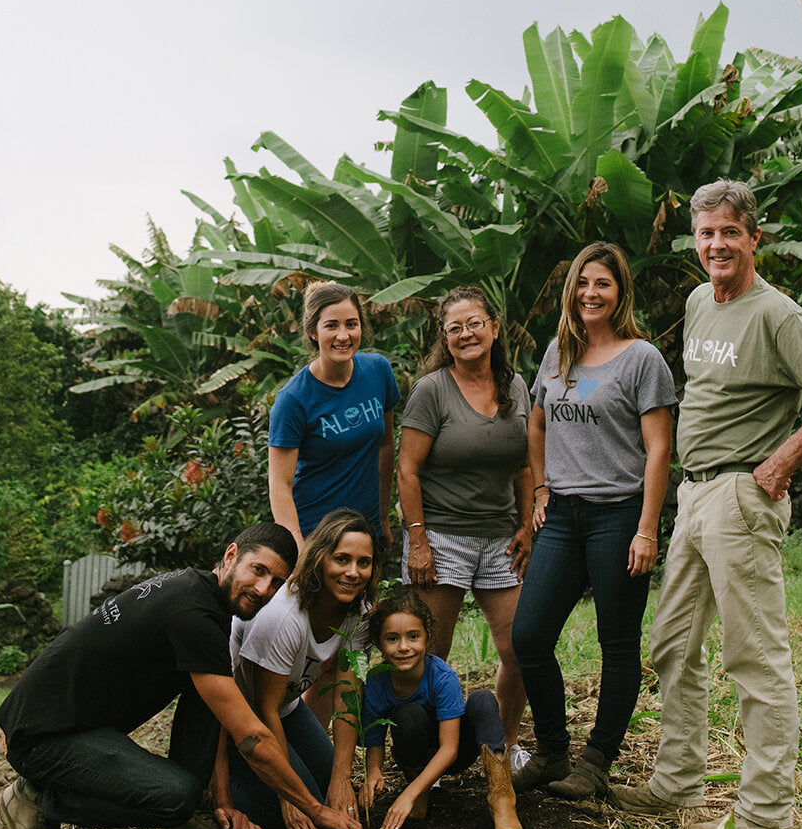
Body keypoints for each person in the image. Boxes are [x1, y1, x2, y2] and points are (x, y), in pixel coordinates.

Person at [610, 179, 802, 829]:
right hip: (693, 495)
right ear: (694, 241)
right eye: (706, 233)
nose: (717, 244)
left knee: (754, 657)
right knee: (672, 643)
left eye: (730, 232)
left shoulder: (777, 314)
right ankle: (676, 783)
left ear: (754, 238)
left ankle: (764, 819)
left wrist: (782, 463)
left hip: (740, 498)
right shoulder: (701, 301)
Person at [0, 522, 364, 829]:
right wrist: (313, 810)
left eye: (276, 583)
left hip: (78, 725)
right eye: (258, 570)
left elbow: (211, 713)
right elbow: (251, 737)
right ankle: (36, 798)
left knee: (209, 700)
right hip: (42, 736)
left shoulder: (203, 598)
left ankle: (191, 818)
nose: (264, 589)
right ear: (231, 554)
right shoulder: (193, 615)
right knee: (175, 799)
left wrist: (223, 802)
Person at [510, 242, 677, 799]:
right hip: (561, 516)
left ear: (619, 291)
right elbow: (536, 425)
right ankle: (554, 750)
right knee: (529, 635)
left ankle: (598, 759)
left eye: (602, 283)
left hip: (619, 513)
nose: (590, 294)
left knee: (617, 642)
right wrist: (539, 485)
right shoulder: (558, 352)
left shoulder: (641, 358)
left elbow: (659, 449)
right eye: (582, 283)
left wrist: (647, 528)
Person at [396, 285, 533, 773]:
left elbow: (523, 466)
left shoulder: (516, 387)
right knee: (430, 653)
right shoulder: (432, 390)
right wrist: (418, 541)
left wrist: (526, 525)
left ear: (494, 327)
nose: (466, 333)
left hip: (501, 537)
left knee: (520, 647)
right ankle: (429, 755)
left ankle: (504, 744)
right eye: (454, 327)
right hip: (442, 537)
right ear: (445, 338)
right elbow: (406, 469)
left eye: (474, 323)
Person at [214, 509, 378, 829]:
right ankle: (210, 782)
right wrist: (289, 798)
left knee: (328, 796)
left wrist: (342, 776)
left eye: (364, 562)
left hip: (286, 710)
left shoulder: (359, 613)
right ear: (319, 559)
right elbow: (264, 708)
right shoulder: (285, 615)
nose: (353, 572)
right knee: (300, 811)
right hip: (241, 721)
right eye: (342, 559)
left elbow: (347, 693)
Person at [358, 587, 522, 829]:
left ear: (426, 637)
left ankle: (501, 800)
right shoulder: (377, 682)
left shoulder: (441, 676)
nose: (404, 647)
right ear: (379, 642)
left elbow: (450, 749)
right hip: (415, 753)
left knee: (482, 699)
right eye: (392, 638)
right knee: (408, 713)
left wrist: (406, 794)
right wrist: (374, 772)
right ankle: (421, 792)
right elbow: (375, 741)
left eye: (413, 636)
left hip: (453, 753)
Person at [268, 281, 400, 551]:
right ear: (313, 332)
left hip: (366, 529)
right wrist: (299, 547)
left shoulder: (378, 371)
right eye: (331, 326)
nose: (343, 335)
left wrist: (383, 517)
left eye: (351, 324)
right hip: (317, 535)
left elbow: (386, 446)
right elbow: (280, 484)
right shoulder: (293, 399)